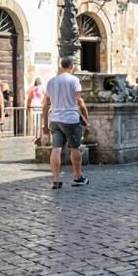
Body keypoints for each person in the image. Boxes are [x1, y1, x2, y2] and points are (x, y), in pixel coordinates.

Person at [44, 56, 90, 190]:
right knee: (74, 147)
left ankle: (56, 180)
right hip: (70, 119)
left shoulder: (51, 81)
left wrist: (45, 123)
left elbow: (46, 104)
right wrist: (87, 121)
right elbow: (79, 102)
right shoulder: (74, 80)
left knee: (56, 149)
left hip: (55, 119)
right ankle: (77, 176)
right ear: (72, 66)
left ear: (61, 66)